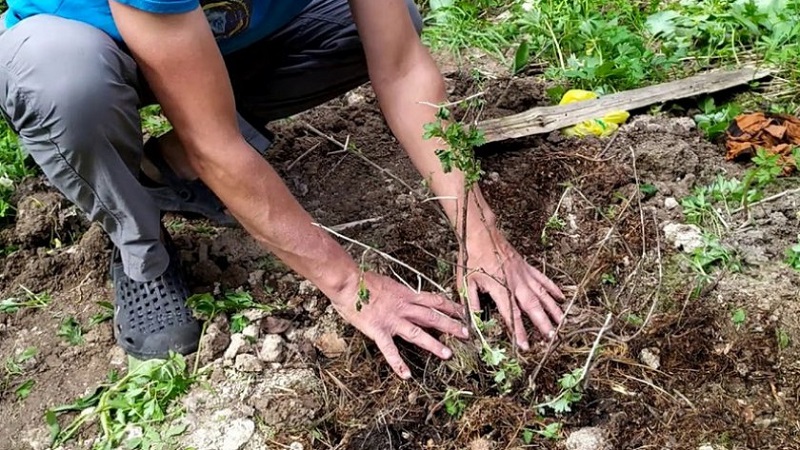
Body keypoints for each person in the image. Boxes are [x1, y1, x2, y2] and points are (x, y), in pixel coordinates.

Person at [0, 0, 565, 379]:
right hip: (94, 47)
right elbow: (216, 144)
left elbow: (400, 66)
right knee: (66, 86)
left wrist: (479, 231)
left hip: (219, 38)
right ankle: (137, 243)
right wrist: (352, 288)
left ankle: (167, 167)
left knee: (372, 26)